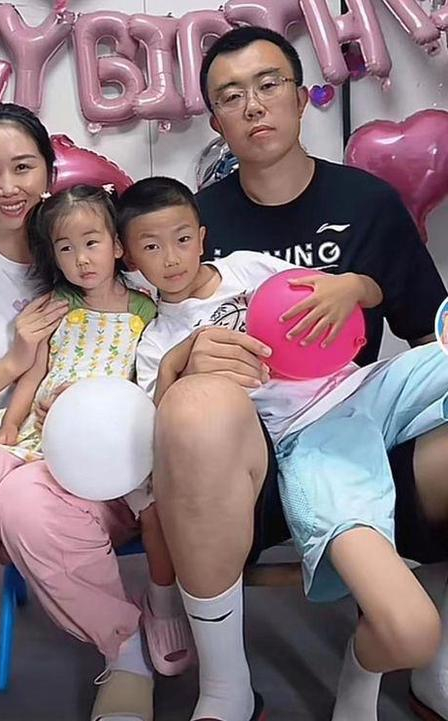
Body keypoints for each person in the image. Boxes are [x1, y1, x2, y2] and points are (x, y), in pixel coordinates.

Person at [118, 176, 447, 721]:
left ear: (202, 237)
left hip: (366, 386)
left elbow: (360, 292)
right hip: (307, 436)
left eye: (182, 239)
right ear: (130, 259)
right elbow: (170, 440)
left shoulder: (247, 267)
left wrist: (353, 286)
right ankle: (344, 672)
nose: (171, 258)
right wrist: (180, 368)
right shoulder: (157, 340)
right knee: (407, 625)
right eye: (151, 247)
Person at [192, 25, 448, 721]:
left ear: (303, 98)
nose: (253, 105)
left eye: (268, 84)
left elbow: (426, 335)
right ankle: (224, 685)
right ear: (215, 121)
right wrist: (190, 359)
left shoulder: (367, 204)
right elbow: (159, 344)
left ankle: (432, 647)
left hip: (360, 431)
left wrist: (361, 286)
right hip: (250, 453)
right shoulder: (196, 226)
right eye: (230, 96)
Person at [0, 107, 160, 721]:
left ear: (48, 170)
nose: (7, 186)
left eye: (22, 167)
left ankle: (126, 655)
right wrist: (14, 361)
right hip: (4, 439)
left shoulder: (99, 254)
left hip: (92, 460)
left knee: (28, 500)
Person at [0, 183, 195, 679]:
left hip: (110, 442)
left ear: (117, 246)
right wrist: (9, 426)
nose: (81, 259)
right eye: (66, 249)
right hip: (42, 429)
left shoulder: (144, 310)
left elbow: (150, 380)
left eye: (91, 243)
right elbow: (33, 374)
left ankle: (162, 602)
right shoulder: (56, 308)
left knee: (154, 506)